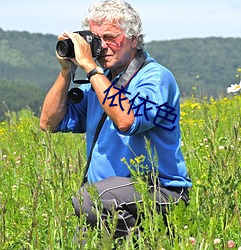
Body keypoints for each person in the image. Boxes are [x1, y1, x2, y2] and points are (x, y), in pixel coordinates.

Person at [40, 0, 192, 244]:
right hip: (110, 200)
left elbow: (126, 120)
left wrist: (90, 67)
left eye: (110, 37)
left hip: (160, 192)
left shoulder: (154, 78)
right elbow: (49, 123)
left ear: (133, 39)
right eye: (96, 39)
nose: (102, 47)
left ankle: (146, 241)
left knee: (88, 199)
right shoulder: (99, 83)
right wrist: (66, 70)